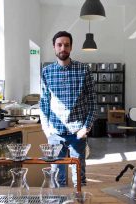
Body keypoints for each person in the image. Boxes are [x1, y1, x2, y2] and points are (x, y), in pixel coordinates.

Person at [39, 31, 97, 187]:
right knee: (57, 178)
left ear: (71, 47)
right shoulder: (46, 71)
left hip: (77, 133)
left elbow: (92, 103)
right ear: (54, 47)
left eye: (66, 45)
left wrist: (86, 128)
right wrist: (46, 129)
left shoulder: (84, 70)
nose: (63, 48)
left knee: (79, 178)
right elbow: (44, 103)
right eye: (59, 45)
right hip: (55, 134)